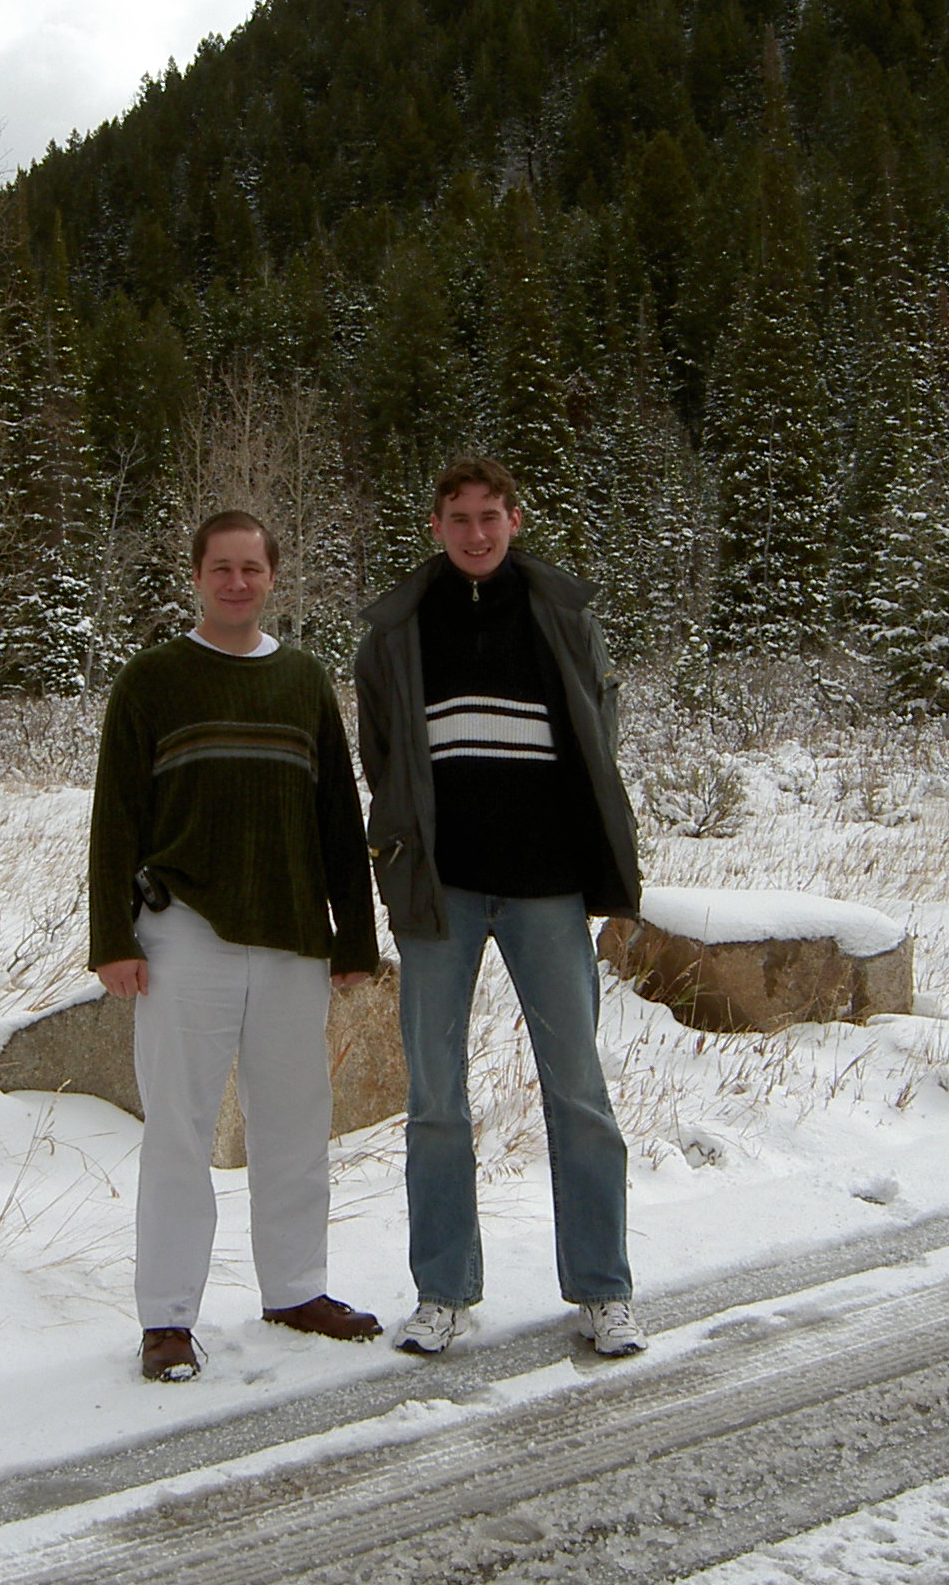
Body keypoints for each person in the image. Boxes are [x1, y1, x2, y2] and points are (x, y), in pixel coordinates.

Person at [354, 457, 647, 1358]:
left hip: (546, 888)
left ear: (515, 520)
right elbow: (382, 755)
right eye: (459, 518)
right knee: (435, 1100)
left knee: (579, 1094)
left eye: (490, 516)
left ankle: (602, 1290)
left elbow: (597, 736)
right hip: (439, 892)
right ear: (435, 528)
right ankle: (443, 1293)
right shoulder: (398, 630)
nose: (475, 533)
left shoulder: (563, 615)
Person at [89, 510, 383, 1382]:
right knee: (179, 1128)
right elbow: (116, 817)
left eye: (251, 568)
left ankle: (295, 1289)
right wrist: (112, 937)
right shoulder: (152, 680)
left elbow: (337, 816)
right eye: (221, 567)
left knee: (295, 1121)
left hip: (293, 933)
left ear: (272, 577)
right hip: (185, 931)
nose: (237, 582)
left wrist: (354, 935)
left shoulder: (302, 681)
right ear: (196, 576)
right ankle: (167, 1317)